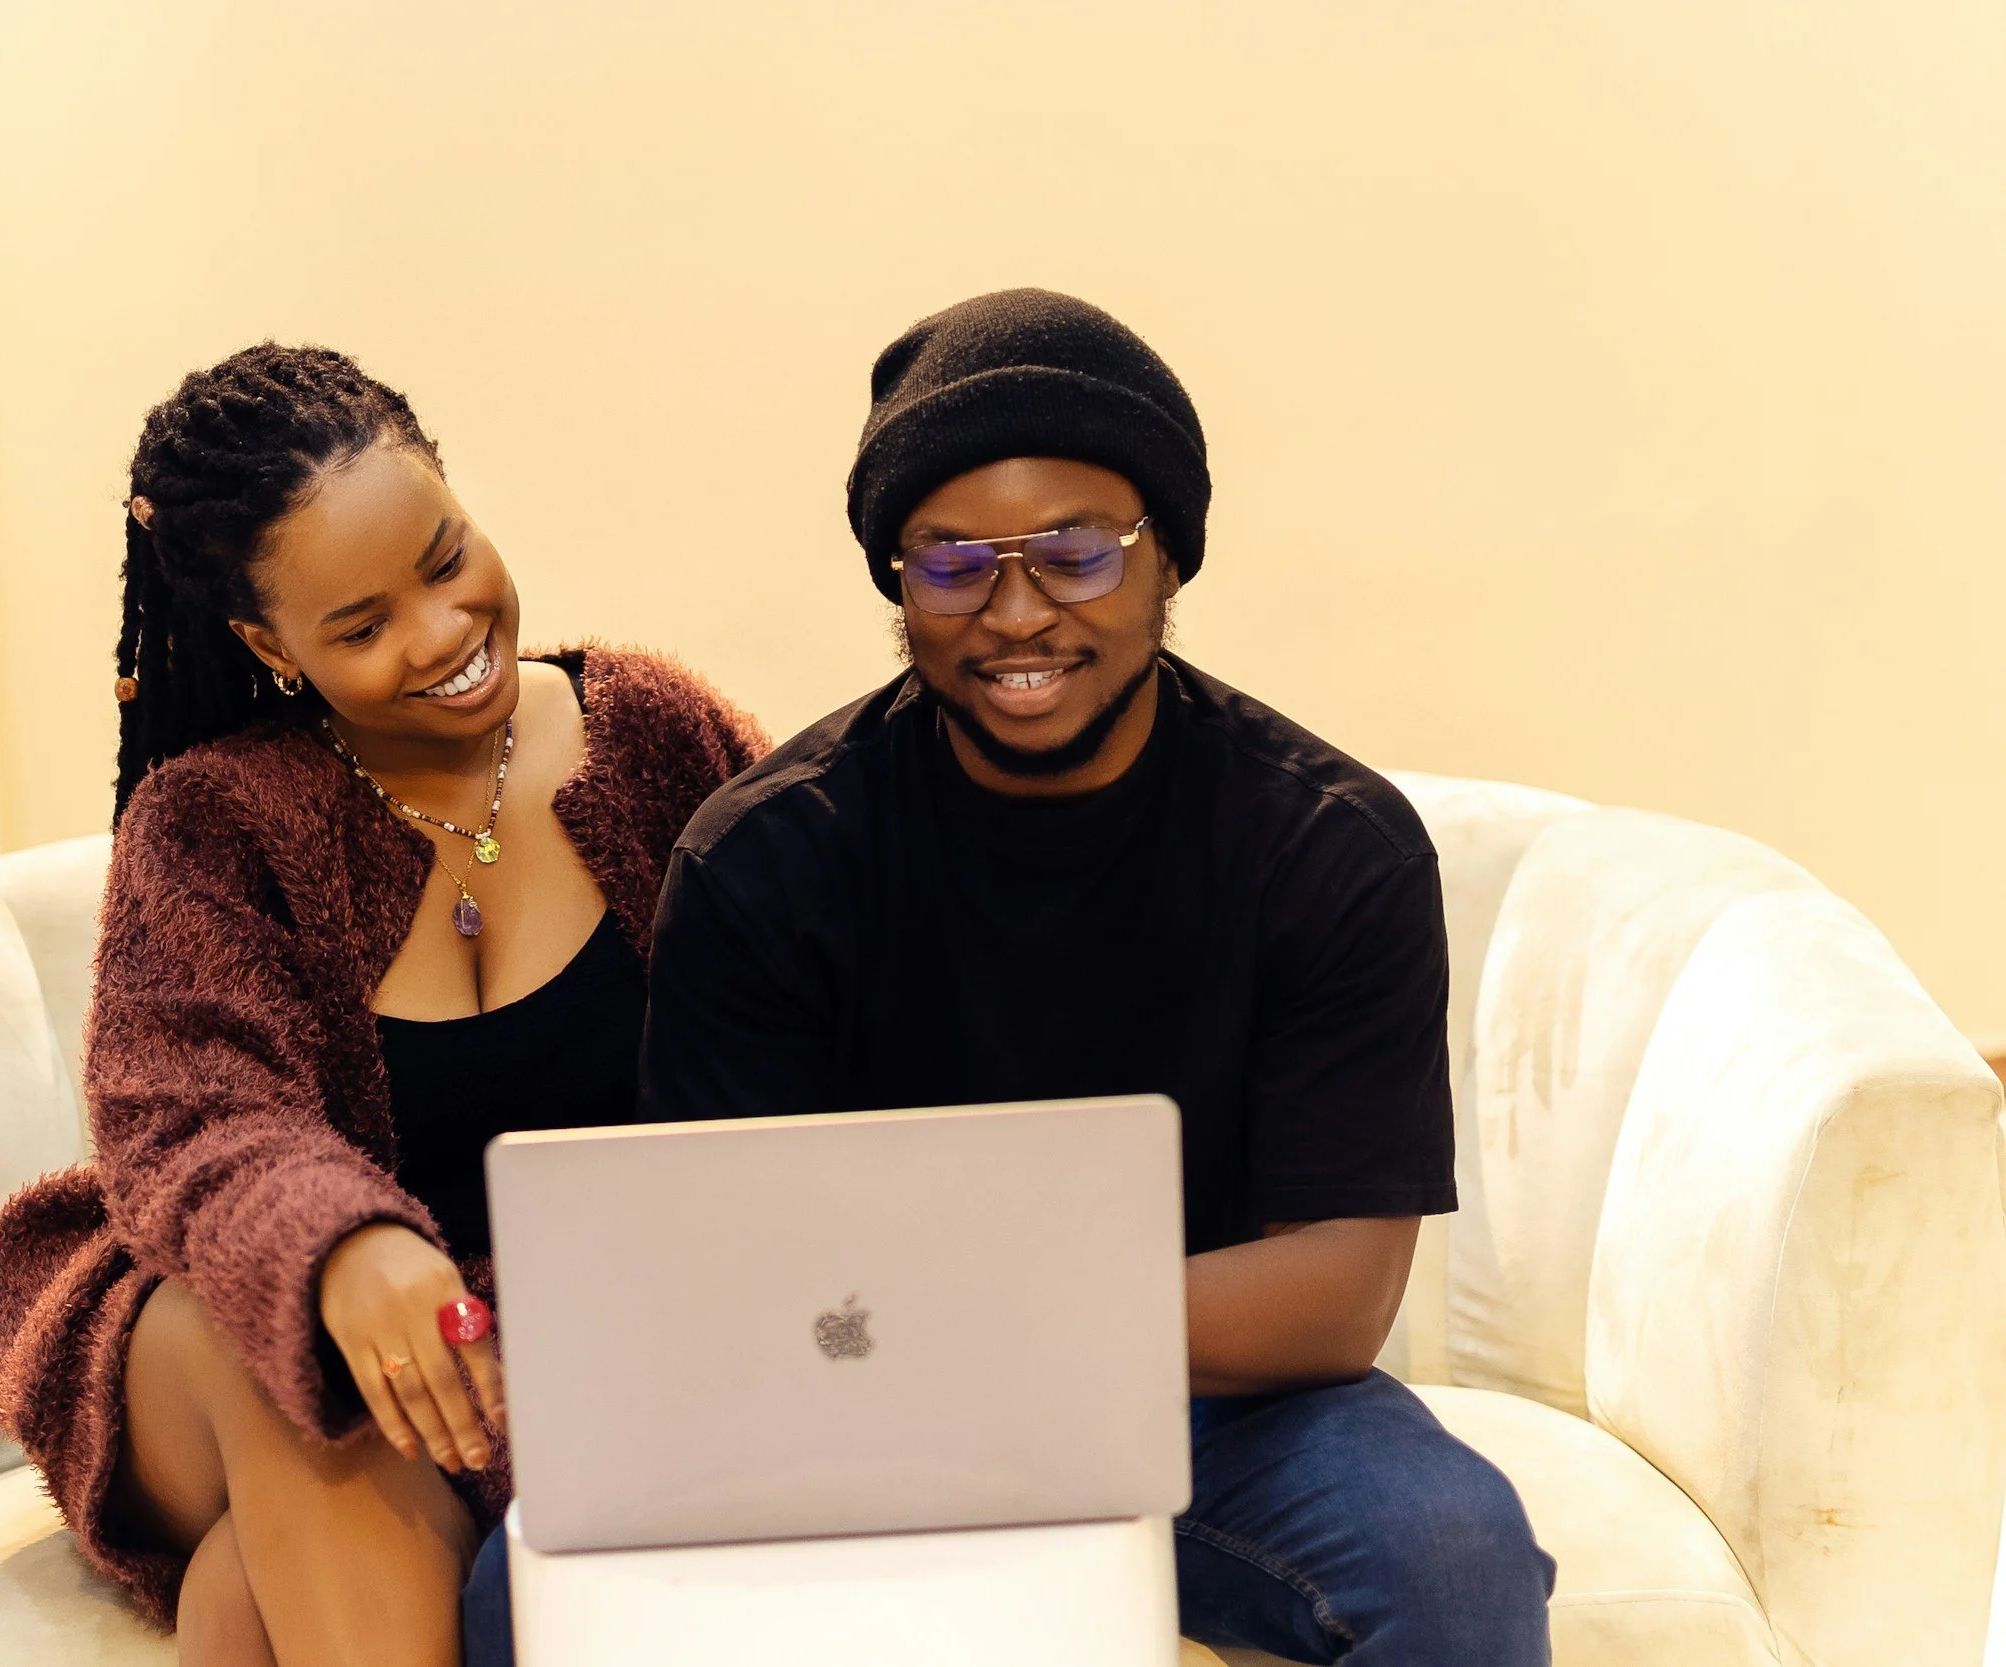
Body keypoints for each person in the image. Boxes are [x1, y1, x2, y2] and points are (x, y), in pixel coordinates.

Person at [631, 289, 1557, 1664]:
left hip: (1214, 1408)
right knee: (509, 1592)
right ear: (897, 578)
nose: (1016, 615)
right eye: (952, 563)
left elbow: (1337, 1294)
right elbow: (721, 1266)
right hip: (863, 1405)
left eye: (1076, 554)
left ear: (1165, 558)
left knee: (1456, 1549)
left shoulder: (1327, 848)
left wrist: (951, 1303)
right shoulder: (768, 859)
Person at [0, 342, 763, 1667]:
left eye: (446, 559)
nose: (442, 633)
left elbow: (813, 999)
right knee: (288, 1353)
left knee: (245, 1598)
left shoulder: (661, 740)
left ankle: (253, 1582)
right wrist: (342, 1249)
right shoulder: (215, 819)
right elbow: (189, 1111)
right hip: (216, 1329)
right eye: (362, 623)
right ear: (268, 643)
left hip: (537, 1334)